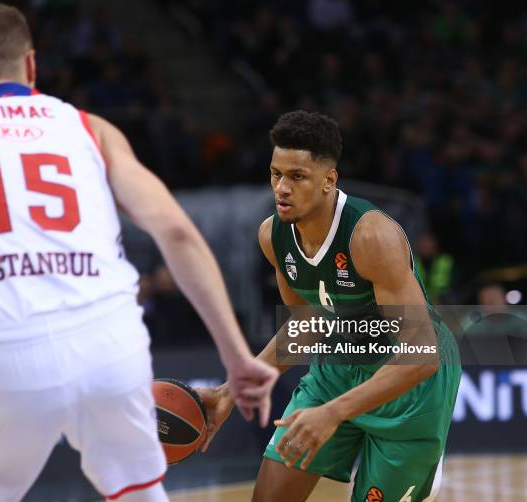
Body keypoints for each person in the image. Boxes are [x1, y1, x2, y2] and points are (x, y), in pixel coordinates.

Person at [0, 3, 278, 501]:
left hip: (3, 352)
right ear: (32, 66)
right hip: (111, 343)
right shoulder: (91, 129)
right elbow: (176, 231)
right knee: (139, 492)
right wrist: (236, 358)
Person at [198, 111, 461, 501]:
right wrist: (230, 392)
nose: (282, 188)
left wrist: (334, 413)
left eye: (297, 176)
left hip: (408, 385)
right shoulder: (273, 236)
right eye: (276, 174)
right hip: (338, 367)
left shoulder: (372, 236)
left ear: (329, 180)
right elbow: (306, 325)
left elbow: (422, 356)